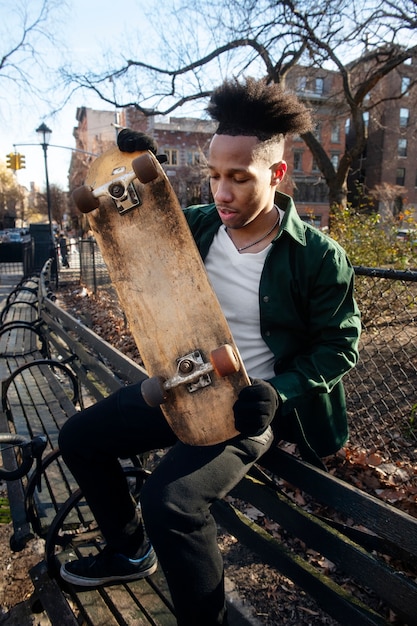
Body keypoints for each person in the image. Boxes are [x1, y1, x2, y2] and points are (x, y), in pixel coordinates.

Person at [58, 77, 361, 626]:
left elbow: (340, 346)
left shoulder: (319, 255)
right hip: (184, 383)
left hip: (250, 406)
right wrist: (126, 169)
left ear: (276, 174)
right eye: (215, 175)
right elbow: (135, 223)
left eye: (239, 178)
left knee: (172, 504)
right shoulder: (192, 228)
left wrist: (278, 392)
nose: (221, 192)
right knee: (79, 437)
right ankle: (129, 551)